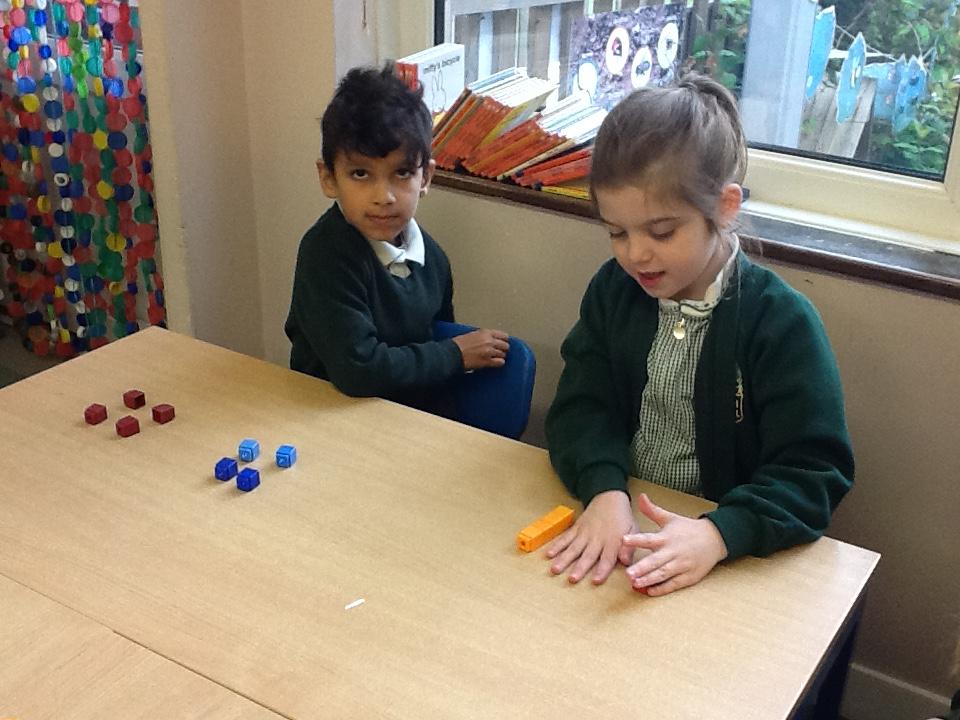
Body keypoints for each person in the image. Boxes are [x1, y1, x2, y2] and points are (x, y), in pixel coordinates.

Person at [543, 73, 854, 596]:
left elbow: (813, 471)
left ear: (725, 207)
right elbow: (581, 407)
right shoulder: (614, 290)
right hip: (624, 528)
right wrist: (604, 490)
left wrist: (720, 533)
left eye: (661, 231)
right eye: (616, 232)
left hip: (728, 561)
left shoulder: (780, 322)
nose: (635, 254)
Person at [285, 64, 508, 414]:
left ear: (426, 177)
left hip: (403, 423)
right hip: (326, 418)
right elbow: (358, 370)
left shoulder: (434, 259)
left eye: (402, 173)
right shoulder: (325, 255)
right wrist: (455, 354)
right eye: (361, 174)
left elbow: (436, 359)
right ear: (329, 179)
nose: (384, 197)